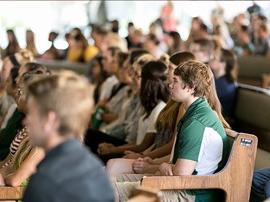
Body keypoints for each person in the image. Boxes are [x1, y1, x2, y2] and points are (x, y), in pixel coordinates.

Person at [23, 71, 114, 202]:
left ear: (50, 120)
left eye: (31, 114)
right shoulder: (95, 167)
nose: (26, 121)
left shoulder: (45, 182)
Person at [209, 48, 238, 120]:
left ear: (223, 64)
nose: (210, 59)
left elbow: (208, 101)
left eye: (214, 58)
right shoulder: (216, 79)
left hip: (220, 120)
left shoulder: (226, 84)